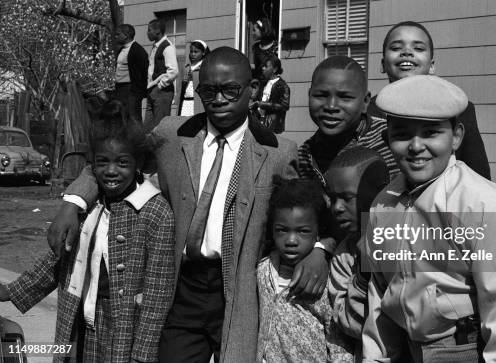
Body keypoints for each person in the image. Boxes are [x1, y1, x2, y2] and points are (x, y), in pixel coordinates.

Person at [47, 47, 331, 363]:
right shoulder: (172, 134)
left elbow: (316, 208)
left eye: (230, 89)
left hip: (239, 291)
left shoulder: (279, 151)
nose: (219, 99)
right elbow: (115, 159)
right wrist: (72, 201)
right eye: (208, 90)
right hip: (182, 287)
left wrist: (320, 248)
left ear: (250, 89)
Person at [362, 75, 496, 362]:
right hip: (407, 348)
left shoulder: (485, 205)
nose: (416, 146)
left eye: (431, 133)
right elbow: (381, 295)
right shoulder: (383, 205)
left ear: (456, 136)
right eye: (402, 134)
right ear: (387, 139)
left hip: (464, 348)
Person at [0, 100, 175, 363]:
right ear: (92, 165)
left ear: (138, 162)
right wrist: (13, 291)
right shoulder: (88, 204)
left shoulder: (155, 212)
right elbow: (60, 260)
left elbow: (157, 293)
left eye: (122, 162)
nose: (111, 171)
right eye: (102, 162)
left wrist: (143, 354)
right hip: (81, 317)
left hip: (125, 326)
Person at [368, 21, 491, 179]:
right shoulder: (366, 112)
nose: (406, 52)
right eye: (396, 47)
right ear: (383, 64)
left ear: (432, 65)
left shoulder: (458, 109)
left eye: (418, 48)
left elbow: (478, 174)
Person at [256, 178, 353, 362]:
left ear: (318, 231)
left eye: (303, 231)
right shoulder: (263, 271)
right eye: (282, 230)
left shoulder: (328, 280)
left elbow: (339, 346)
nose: (291, 240)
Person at [325, 146, 390, 360]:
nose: (336, 208)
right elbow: (349, 324)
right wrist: (363, 273)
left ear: (380, 191)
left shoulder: (411, 236)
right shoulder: (345, 255)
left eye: (346, 197)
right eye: (332, 198)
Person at [298, 56, 398, 187]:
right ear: (309, 95)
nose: (331, 106)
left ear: (365, 101)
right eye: (321, 95)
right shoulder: (304, 155)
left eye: (345, 97)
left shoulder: (390, 140)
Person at [144, 18, 179, 133]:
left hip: (162, 92)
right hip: (152, 90)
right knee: (148, 129)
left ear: (157, 31)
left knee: (160, 129)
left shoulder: (167, 47)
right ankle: (148, 151)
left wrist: (160, 86)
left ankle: (160, 151)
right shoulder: (156, 46)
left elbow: (173, 71)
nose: (147, 33)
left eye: (149, 30)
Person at [113, 24, 148, 123]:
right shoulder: (120, 50)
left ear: (126, 35)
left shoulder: (137, 50)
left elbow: (144, 72)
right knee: (120, 117)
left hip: (131, 90)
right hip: (119, 89)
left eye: (118, 34)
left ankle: (138, 138)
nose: (116, 36)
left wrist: (140, 92)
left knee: (133, 118)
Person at [251, 54, 290, 134]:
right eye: (262, 66)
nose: (263, 68)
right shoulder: (262, 83)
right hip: (257, 122)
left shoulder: (282, 86)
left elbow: (284, 106)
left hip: (272, 125)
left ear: (274, 69)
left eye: (265, 66)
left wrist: (262, 104)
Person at [179, 40, 210, 116]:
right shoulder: (187, 67)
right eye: (191, 51)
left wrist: (194, 76)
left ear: (203, 53)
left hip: (198, 103)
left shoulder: (206, 66)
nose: (193, 54)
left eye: (196, 52)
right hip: (185, 102)